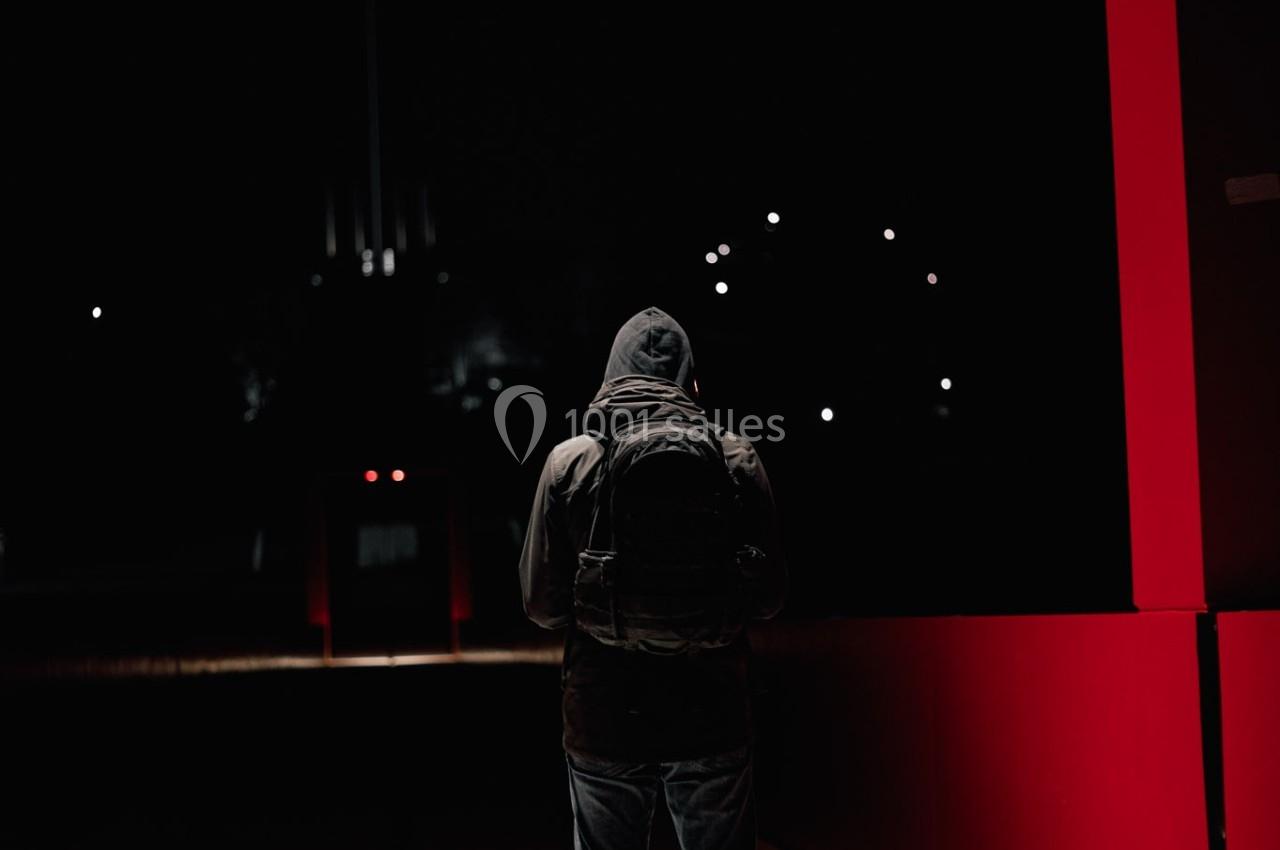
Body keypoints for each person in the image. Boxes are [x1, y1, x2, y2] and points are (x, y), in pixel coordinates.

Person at [519, 306, 787, 850]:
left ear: (611, 375)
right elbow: (769, 598)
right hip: (712, 709)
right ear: (689, 376)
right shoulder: (735, 458)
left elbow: (541, 606)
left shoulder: (569, 462)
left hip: (603, 711)